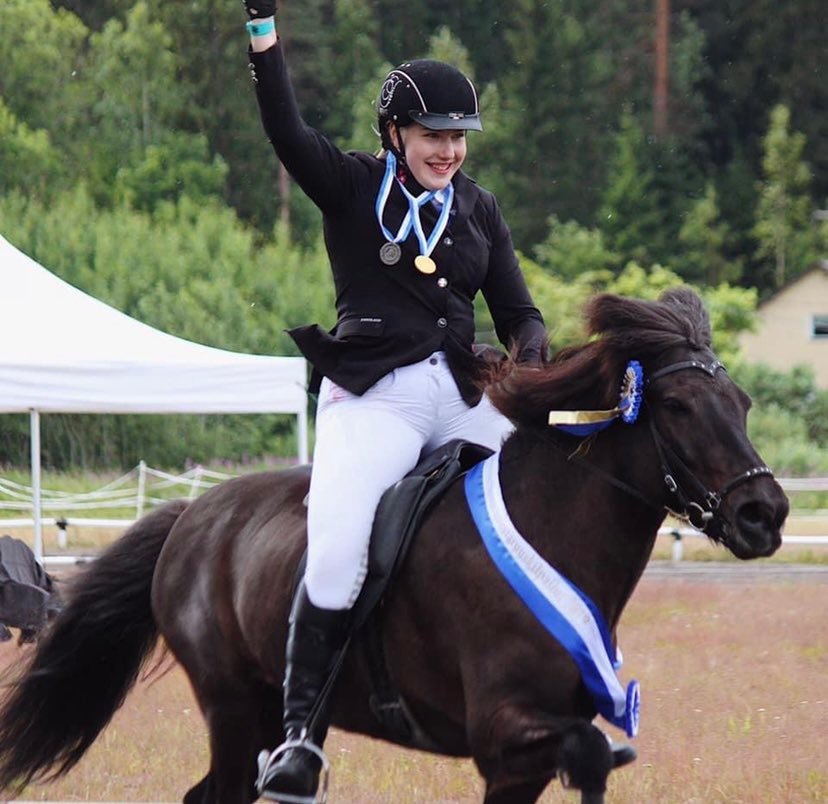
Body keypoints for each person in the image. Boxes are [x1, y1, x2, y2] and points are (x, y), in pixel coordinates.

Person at [242, 2, 548, 800]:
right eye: (432, 135)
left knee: (551, 502)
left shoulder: (478, 207)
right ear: (395, 134)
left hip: (461, 392)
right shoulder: (347, 184)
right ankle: (296, 742)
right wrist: (263, 30)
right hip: (373, 397)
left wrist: (535, 367)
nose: (448, 150)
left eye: (458, 137)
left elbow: (518, 313)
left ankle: (568, 699)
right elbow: (284, 126)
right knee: (338, 556)